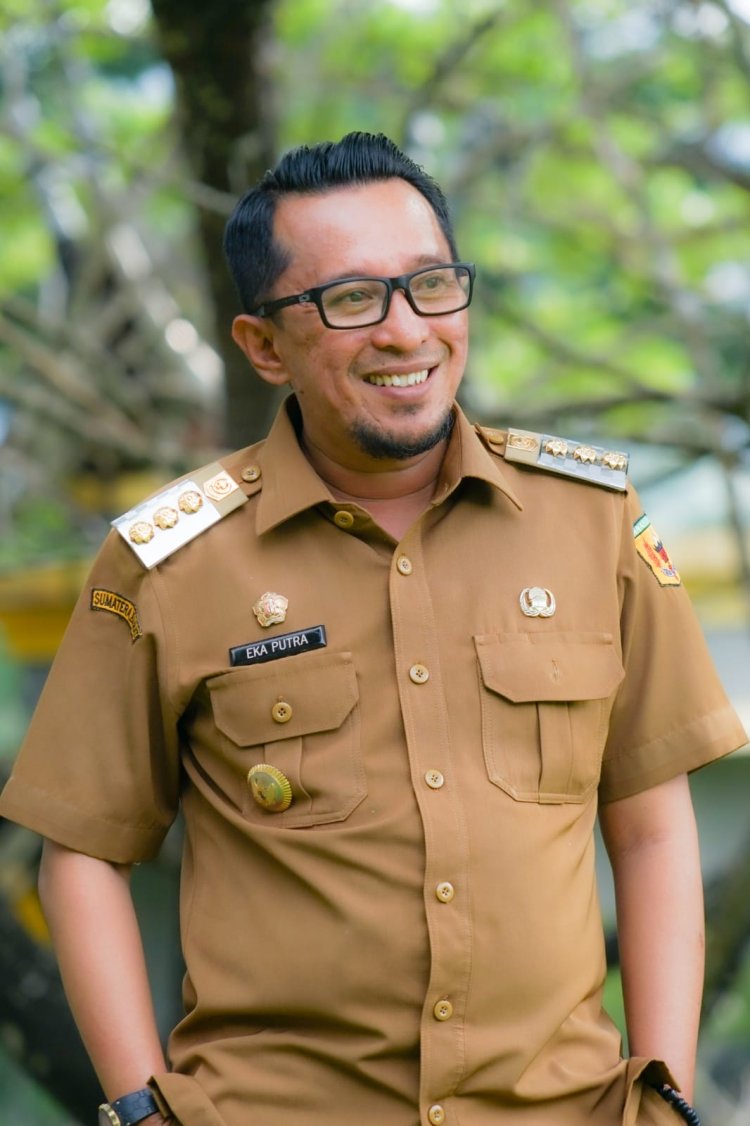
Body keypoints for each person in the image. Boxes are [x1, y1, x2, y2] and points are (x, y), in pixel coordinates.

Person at [0, 132, 745, 1126]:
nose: (406, 332)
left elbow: (651, 829)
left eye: (431, 285)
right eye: (352, 299)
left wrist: (666, 1095)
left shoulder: (592, 521)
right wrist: (141, 1111)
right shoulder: (169, 563)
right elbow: (85, 850)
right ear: (264, 345)